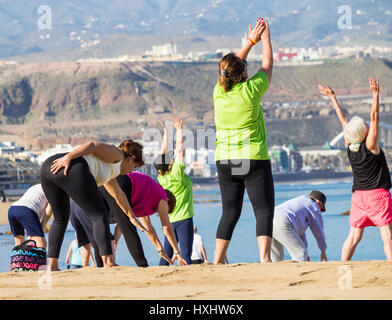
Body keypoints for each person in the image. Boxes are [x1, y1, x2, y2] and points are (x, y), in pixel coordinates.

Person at [212, 19, 274, 263]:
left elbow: (228, 69)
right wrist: (265, 39)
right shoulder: (251, 91)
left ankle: (217, 259)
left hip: (225, 160)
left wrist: (250, 42)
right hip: (253, 158)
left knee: (229, 212)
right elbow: (268, 65)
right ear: (244, 73)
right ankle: (264, 259)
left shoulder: (219, 92)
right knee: (263, 210)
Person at [40, 139, 147, 271]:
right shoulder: (118, 155)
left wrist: (131, 217)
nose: (132, 171)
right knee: (99, 215)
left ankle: (52, 266)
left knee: (60, 218)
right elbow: (93, 145)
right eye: (135, 166)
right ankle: (108, 262)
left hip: (47, 167)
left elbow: (119, 195)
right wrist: (68, 157)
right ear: (131, 158)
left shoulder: (110, 172)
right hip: (70, 164)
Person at [319, 77, 392, 261]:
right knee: (387, 236)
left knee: (353, 237)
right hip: (378, 196)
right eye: (366, 126)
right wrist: (375, 94)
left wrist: (332, 97)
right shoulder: (371, 146)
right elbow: (375, 117)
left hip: (359, 197)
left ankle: (343, 266)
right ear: (364, 132)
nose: (369, 125)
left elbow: (342, 119)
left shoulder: (349, 145)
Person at [100, 172, 187, 266]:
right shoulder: (162, 197)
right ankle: (142, 265)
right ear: (168, 201)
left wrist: (160, 249)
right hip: (123, 183)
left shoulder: (147, 198)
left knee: (100, 221)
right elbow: (166, 227)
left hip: (109, 182)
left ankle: (102, 263)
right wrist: (177, 251)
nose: (160, 214)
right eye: (166, 211)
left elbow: (146, 226)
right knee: (127, 228)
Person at [154, 117, 194, 265]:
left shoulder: (161, 177)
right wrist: (178, 130)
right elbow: (179, 148)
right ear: (170, 165)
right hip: (184, 219)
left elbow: (162, 153)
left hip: (169, 221)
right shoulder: (177, 172)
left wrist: (166, 132)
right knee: (186, 256)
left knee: (167, 256)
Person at [271, 190, 328, 262]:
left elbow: (299, 232)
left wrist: (306, 254)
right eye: (321, 209)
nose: (319, 211)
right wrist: (323, 250)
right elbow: (318, 230)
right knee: (300, 253)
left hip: (270, 219)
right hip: (283, 221)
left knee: (276, 257)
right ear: (319, 203)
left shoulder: (301, 201)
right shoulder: (313, 205)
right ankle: (298, 272)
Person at [69, 199, 117, 268]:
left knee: (85, 242)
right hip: (85, 207)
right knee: (109, 238)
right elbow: (120, 227)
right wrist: (114, 245)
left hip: (73, 206)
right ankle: (110, 265)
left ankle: (85, 268)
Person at [8, 184, 53, 249]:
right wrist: (41, 227)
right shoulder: (53, 188)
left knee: (19, 244)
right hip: (27, 210)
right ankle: (38, 259)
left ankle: (19, 259)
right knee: (41, 243)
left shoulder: (37, 186)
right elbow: (49, 211)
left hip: (12, 208)